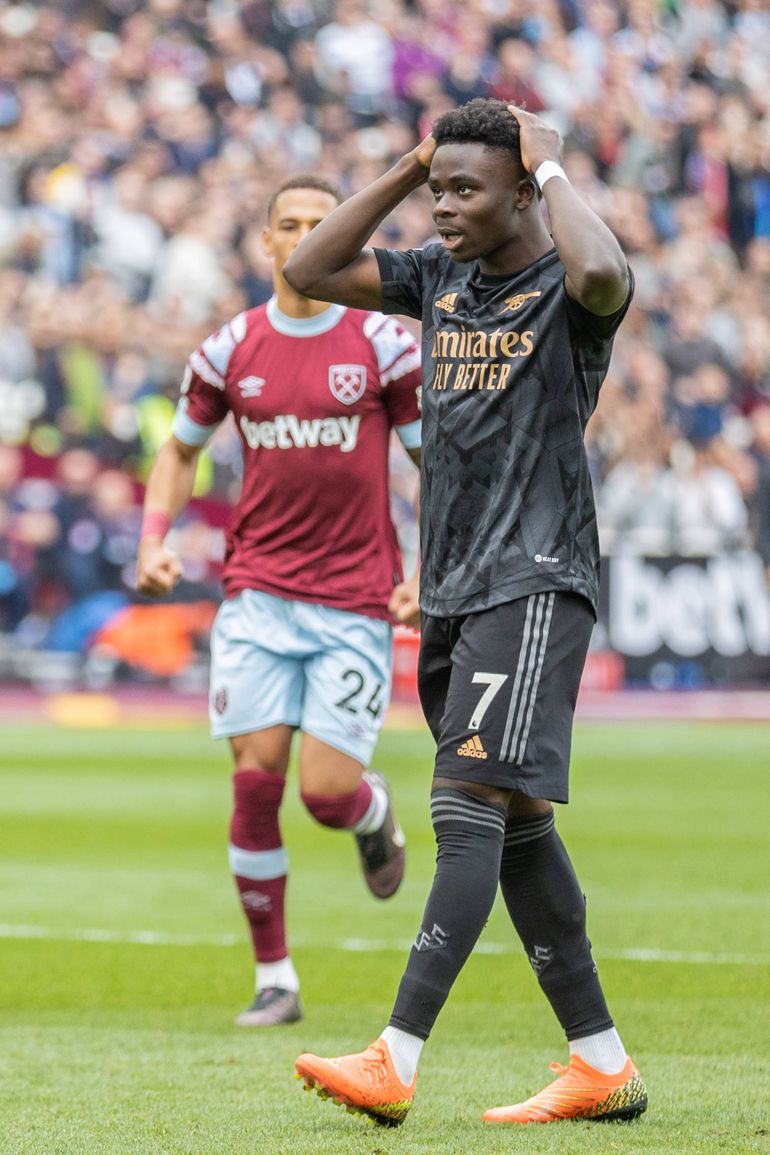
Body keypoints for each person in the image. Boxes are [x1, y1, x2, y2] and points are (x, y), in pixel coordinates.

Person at [284, 100, 648, 1126]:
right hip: (449, 587)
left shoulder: (563, 284)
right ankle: (599, 1063)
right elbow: (308, 271)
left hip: (530, 580)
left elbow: (604, 277)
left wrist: (557, 168)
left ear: (524, 189)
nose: (443, 208)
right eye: (436, 189)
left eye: (463, 189)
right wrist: (409, 166)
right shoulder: (438, 277)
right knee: (519, 826)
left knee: (461, 805)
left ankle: (394, 1057)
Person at [136, 175, 422, 1028]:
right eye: (288, 225)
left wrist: (429, 570)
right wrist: (153, 537)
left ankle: (371, 813)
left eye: (319, 225)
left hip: (355, 599)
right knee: (254, 784)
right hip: (257, 594)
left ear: (348, 240)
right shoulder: (227, 349)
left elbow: (438, 464)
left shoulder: (381, 343)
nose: (302, 238)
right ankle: (276, 978)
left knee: (324, 794)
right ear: (265, 241)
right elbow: (178, 453)